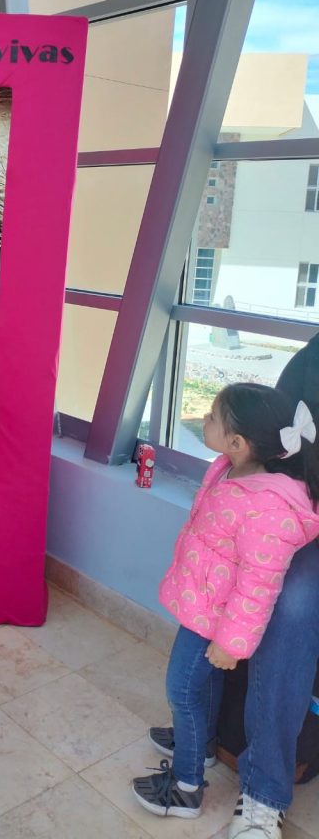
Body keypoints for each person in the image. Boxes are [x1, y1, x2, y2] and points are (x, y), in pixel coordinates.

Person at [131, 383, 319, 820]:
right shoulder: (229, 470)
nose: (204, 419)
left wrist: (232, 642)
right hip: (203, 604)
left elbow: (259, 585)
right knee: (204, 686)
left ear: (238, 443)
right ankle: (200, 744)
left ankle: (185, 787)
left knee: (182, 690)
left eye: (213, 416)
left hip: (215, 620)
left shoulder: (268, 508)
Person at [221, 345, 319, 839]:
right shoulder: (312, 361)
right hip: (310, 509)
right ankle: (264, 791)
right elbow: (279, 449)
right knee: (292, 600)